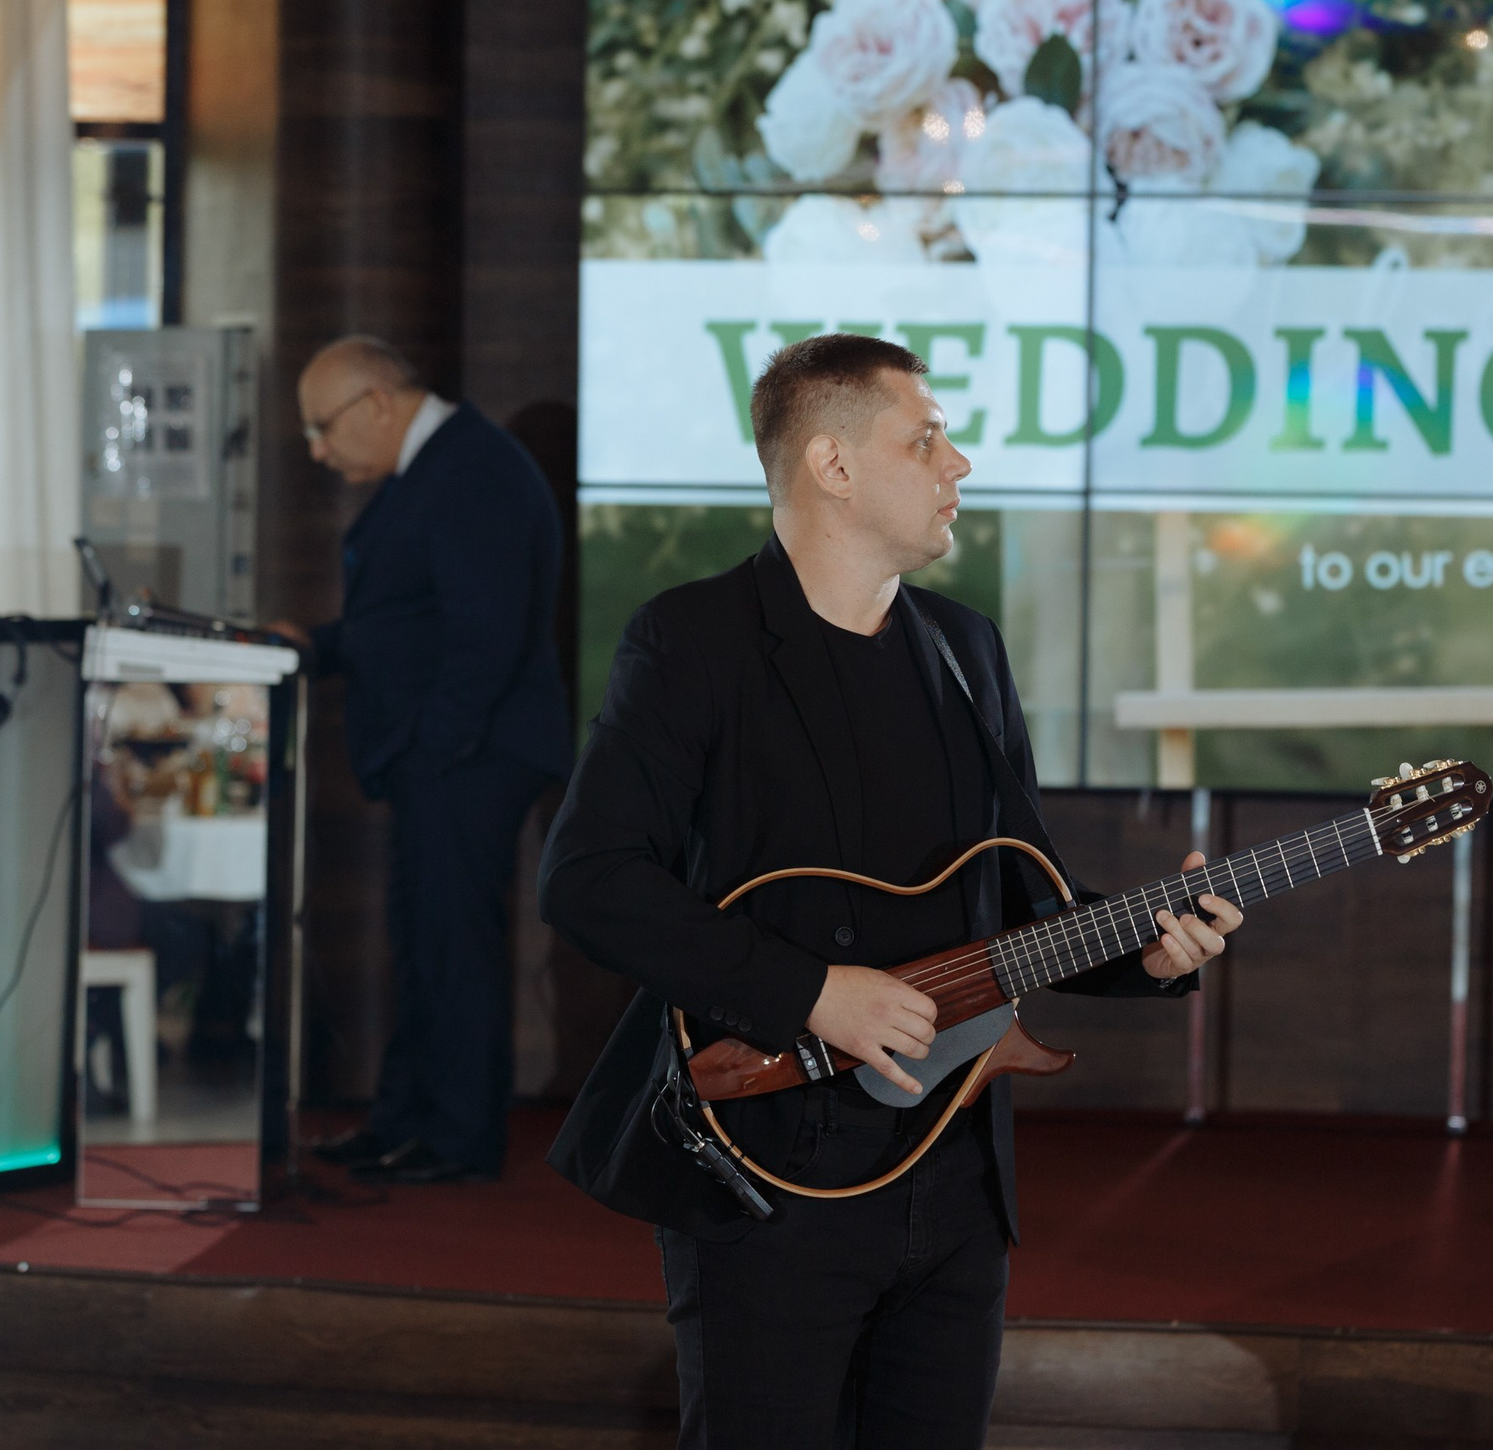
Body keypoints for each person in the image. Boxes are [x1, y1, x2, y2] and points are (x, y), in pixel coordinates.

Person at [539, 334, 1241, 1448]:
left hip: (956, 1183)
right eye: (927, 439)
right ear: (832, 465)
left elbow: (1017, 906)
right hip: (773, 1176)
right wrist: (812, 991)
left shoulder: (966, 649)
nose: (956, 464)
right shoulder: (694, 640)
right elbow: (589, 882)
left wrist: (1146, 956)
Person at [277, 334, 571, 1184]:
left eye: (321, 428)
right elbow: (408, 618)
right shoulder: (439, 464)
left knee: (453, 946)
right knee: (422, 943)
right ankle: (403, 1120)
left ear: (377, 400)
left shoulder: (471, 469)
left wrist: (431, 750)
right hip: (447, 755)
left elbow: (485, 638)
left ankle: (456, 1137)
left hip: (469, 756)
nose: (320, 451)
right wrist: (318, 646)